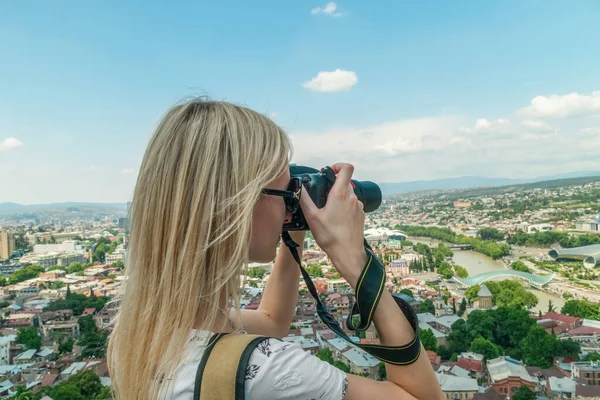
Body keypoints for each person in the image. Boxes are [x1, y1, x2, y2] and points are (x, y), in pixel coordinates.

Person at [107, 98, 444, 400]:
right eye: (285, 196)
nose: (289, 208)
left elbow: (273, 320)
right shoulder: (268, 370)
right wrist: (356, 263)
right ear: (239, 206)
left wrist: (295, 223)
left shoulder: (141, 329)